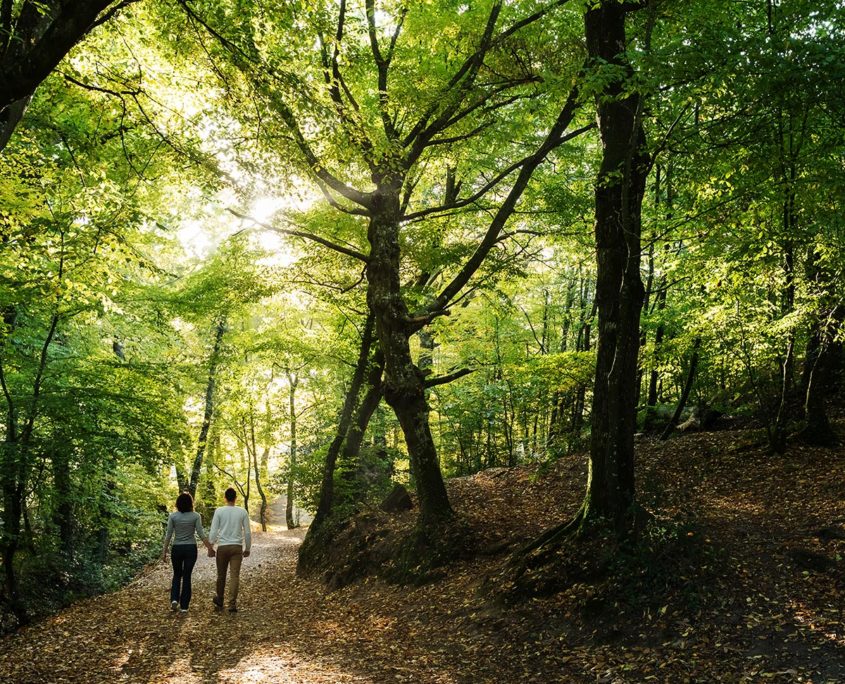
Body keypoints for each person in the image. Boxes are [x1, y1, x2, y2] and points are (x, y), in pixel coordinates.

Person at [162, 492, 215, 613]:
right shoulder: (195, 516)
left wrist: (164, 551)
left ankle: (174, 599)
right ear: (191, 503)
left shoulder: (173, 516)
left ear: (178, 503)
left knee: (176, 574)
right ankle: (184, 606)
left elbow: (168, 534)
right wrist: (209, 548)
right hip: (191, 548)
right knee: (187, 576)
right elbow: (201, 533)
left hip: (177, 548)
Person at [209, 487, 251, 613]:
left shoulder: (219, 511)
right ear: (236, 498)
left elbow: (214, 530)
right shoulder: (242, 512)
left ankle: (220, 599)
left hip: (222, 547)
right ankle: (232, 604)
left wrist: (211, 545)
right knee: (234, 576)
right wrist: (247, 547)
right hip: (236, 548)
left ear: (225, 498)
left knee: (221, 575)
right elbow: (247, 532)